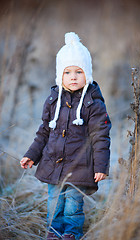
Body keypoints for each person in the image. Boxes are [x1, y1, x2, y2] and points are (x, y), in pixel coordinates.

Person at [20, 32, 111, 240]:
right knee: (54, 202)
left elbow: (101, 137)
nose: (73, 77)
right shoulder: (53, 100)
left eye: (79, 72)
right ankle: (53, 232)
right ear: (59, 75)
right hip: (54, 165)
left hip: (80, 167)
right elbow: (43, 132)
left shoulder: (93, 104)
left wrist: (100, 167)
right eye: (67, 72)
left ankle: (71, 233)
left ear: (87, 73)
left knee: (72, 205)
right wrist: (32, 155)